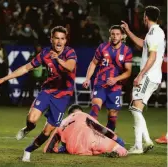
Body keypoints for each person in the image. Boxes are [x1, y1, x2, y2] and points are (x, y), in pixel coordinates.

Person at [0, 26, 77, 162]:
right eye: (56, 38)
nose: (59, 41)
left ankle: (28, 150)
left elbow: (70, 66)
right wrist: (4, 78)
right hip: (47, 91)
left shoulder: (70, 52)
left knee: (47, 132)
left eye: (62, 39)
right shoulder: (45, 53)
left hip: (63, 96)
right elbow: (26, 67)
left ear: (65, 41)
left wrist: (58, 59)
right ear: (51, 39)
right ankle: (27, 128)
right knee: (32, 119)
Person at [121, 6, 166, 154]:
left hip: (148, 75)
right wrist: (128, 32)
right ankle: (144, 142)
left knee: (134, 108)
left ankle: (140, 146)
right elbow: (143, 45)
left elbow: (152, 57)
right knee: (136, 108)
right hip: (154, 76)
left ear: (145, 17)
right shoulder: (155, 32)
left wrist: (140, 75)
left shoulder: (154, 34)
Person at [82, 25, 133, 131]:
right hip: (100, 83)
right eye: (113, 34)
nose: (115, 36)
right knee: (95, 106)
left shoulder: (126, 51)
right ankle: (88, 135)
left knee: (112, 116)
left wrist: (116, 79)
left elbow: (128, 72)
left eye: (117, 34)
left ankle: (108, 138)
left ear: (122, 36)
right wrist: (87, 78)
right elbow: (93, 63)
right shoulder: (102, 47)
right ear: (110, 35)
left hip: (115, 87)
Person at [43, 104, 128, 157]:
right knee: (120, 147)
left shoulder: (62, 123)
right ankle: (117, 151)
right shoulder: (84, 115)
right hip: (93, 144)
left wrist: (62, 149)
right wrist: (118, 139)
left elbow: (48, 149)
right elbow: (101, 129)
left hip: (75, 150)